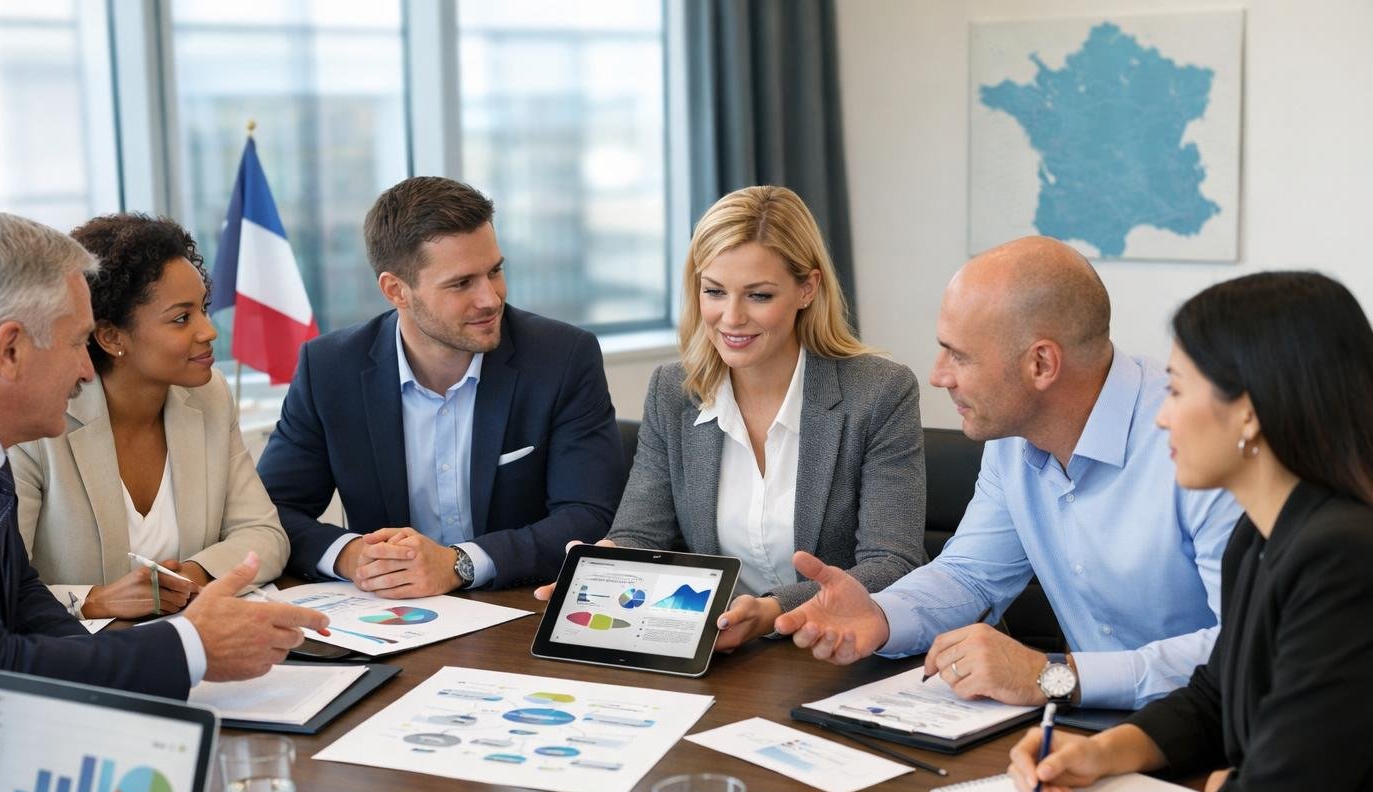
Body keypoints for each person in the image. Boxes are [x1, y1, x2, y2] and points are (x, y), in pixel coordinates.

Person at [1008, 271, 1373, 792]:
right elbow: (1216, 691)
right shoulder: (1259, 536)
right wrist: (1106, 752)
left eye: (1176, 391)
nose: (1162, 420)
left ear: (1250, 412)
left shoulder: (1343, 557)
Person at [0, 211, 329, 755]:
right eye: (76, 342)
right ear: (10, 349)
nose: (87, 371)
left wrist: (160, 665)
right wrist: (190, 645)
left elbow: (21, 596)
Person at [776, 236, 1240, 709]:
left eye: (959, 355)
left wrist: (1054, 675)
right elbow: (972, 576)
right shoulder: (1013, 437)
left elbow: (1241, 648)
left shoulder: (1196, 438)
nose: (938, 375)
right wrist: (880, 616)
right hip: (1089, 731)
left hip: (1220, 734)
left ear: (1041, 363)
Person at [534, 185, 924, 650]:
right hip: (719, 649)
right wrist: (601, 571)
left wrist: (772, 610)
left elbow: (891, 563)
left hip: (837, 651)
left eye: (758, 295)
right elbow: (641, 531)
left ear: (807, 288)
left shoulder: (879, 393)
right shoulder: (672, 391)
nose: (731, 318)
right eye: (714, 291)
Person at [256, 176, 626, 597]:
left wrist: (459, 564)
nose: (490, 298)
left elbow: (591, 515)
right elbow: (267, 514)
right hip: (389, 617)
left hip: (519, 608)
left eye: (495, 271)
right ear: (396, 290)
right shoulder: (329, 369)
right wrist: (352, 555)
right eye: (461, 283)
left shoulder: (562, 357)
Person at [10, 213, 288, 620]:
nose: (208, 331)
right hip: (84, 662)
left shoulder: (207, 396)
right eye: (181, 318)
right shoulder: (38, 422)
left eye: (204, 309)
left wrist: (192, 576)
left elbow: (264, 536)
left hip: (193, 645)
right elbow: (0, 587)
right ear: (110, 336)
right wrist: (94, 600)